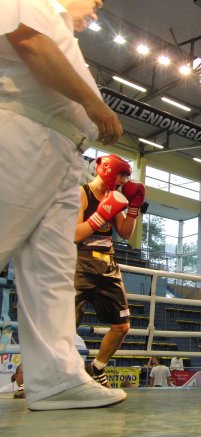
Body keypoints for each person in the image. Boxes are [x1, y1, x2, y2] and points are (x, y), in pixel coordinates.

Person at [0, 0, 126, 410]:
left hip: (64, 150)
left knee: (52, 272)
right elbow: (30, 44)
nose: (97, 8)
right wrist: (94, 104)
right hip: (24, 132)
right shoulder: (33, 2)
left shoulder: (63, 30)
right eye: (95, 1)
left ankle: (56, 379)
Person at [74, 154, 145, 387]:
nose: (124, 181)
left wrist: (133, 208)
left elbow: (125, 232)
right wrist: (100, 215)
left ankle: (96, 368)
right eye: (121, 175)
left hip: (108, 266)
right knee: (64, 327)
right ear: (106, 169)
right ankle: (33, 378)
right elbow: (74, 235)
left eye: (126, 176)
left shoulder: (114, 197)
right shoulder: (81, 193)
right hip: (80, 264)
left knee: (122, 326)